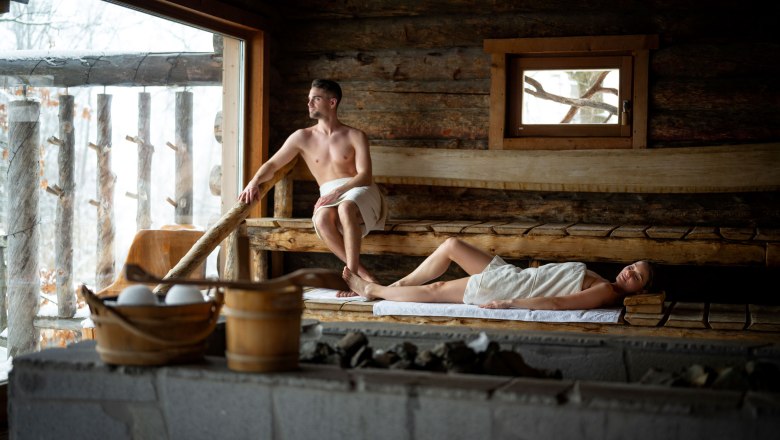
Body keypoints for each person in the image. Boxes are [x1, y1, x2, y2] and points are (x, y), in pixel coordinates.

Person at [238, 79, 387, 294]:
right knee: (321, 218)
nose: (309, 104)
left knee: (346, 207)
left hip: (359, 190)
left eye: (315, 99)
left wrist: (340, 190)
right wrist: (254, 181)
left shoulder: (355, 135)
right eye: (309, 99)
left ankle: (351, 278)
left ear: (332, 102)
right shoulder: (302, 137)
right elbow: (273, 164)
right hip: (330, 195)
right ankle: (365, 276)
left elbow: (365, 176)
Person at [342, 237, 653, 310]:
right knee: (451, 245)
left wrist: (511, 305)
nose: (630, 272)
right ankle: (391, 286)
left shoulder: (606, 292)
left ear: (639, 291)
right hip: (514, 275)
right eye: (633, 266)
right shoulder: (603, 280)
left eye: (637, 276)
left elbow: (558, 303)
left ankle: (376, 291)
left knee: (437, 290)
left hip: (511, 289)